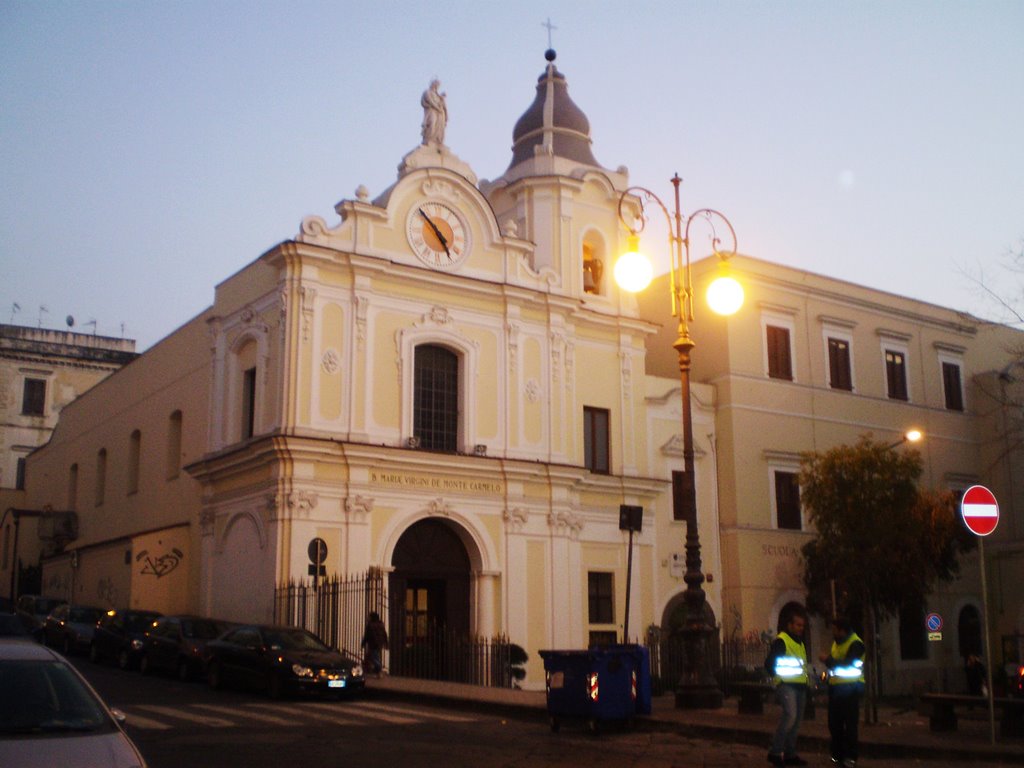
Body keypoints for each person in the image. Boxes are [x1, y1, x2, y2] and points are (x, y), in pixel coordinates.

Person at [765, 608, 810, 767]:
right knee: (790, 716)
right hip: (786, 685)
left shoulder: (800, 642)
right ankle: (775, 752)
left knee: (796, 721)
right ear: (789, 625)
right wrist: (779, 677)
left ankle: (790, 754)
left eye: (802, 625)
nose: (800, 628)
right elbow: (770, 663)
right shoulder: (782, 640)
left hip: (800, 686)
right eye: (797, 625)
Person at [819, 617, 866, 768]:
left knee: (850, 726)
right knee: (834, 725)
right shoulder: (837, 643)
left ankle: (850, 758)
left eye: (834, 629)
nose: (832, 632)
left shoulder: (856, 644)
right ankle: (837, 755)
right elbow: (836, 665)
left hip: (851, 690)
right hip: (836, 690)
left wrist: (828, 660)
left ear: (842, 630)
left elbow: (848, 664)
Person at [420, 79, 447, 147]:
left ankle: (438, 141)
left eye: (438, 85)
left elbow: (443, 106)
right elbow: (430, 101)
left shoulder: (438, 96)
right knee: (432, 123)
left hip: (440, 113)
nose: (436, 86)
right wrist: (437, 107)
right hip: (432, 111)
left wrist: (442, 99)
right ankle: (428, 139)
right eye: (436, 84)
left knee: (440, 127)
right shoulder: (427, 92)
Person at [361, 611, 388, 677]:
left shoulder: (370, 625)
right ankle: (370, 670)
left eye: (369, 617)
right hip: (379, 643)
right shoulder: (381, 624)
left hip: (372, 643)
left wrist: (363, 643)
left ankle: (378, 670)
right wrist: (386, 643)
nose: (368, 618)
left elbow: (367, 635)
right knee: (370, 657)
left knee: (374, 658)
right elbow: (384, 634)